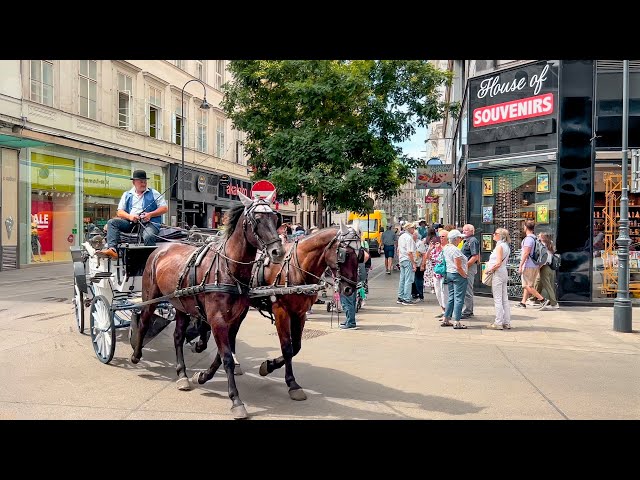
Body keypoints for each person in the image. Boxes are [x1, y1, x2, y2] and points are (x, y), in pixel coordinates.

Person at [98, 170, 168, 259]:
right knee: (112, 222)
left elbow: (164, 208)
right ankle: (112, 250)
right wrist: (130, 217)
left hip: (150, 223)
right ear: (134, 182)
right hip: (131, 222)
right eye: (141, 181)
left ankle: (149, 261)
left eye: (145, 181)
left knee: (149, 236)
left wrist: (150, 214)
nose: (144, 184)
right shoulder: (127, 194)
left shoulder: (154, 193)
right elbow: (120, 212)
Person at [516, 219, 550, 309]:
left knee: (526, 285)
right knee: (529, 285)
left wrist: (520, 265)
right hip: (534, 265)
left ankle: (543, 300)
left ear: (525, 227)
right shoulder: (535, 238)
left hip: (528, 265)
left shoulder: (528, 240)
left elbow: (526, 253)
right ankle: (523, 302)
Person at [440, 229, 469, 329]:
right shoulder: (455, 250)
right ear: (456, 239)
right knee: (459, 298)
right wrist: (464, 275)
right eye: (460, 238)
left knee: (451, 297)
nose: (461, 240)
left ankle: (446, 318)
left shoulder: (446, 248)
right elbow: (458, 266)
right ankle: (457, 321)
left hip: (449, 273)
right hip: (457, 275)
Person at [486, 228, 512, 330]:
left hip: (498, 273)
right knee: (504, 298)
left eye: (495, 233)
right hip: (503, 272)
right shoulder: (506, 246)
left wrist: (490, 270)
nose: (493, 234)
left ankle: (498, 322)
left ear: (500, 236)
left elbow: (498, 263)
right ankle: (507, 322)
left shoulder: (499, 246)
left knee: (498, 299)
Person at [427, 228, 449, 318]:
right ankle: (443, 310)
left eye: (443, 236)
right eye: (440, 237)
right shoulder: (435, 249)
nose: (441, 238)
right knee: (438, 292)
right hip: (436, 273)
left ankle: (447, 312)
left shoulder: (448, 248)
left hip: (445, 274)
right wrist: (429, 249)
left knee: (444, 293)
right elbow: (427, 258)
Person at [460, 224, 480, 319]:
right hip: (466, 267)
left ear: (472, 231)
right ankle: (468, 310)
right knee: (465, 288)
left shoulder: (473, 241)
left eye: (466, 230)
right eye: (463, 230)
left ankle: (467, 311)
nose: (464, 232)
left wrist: (466, 266)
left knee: (467, 289)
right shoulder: (465, 240)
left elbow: (475, 256)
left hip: (469, 267)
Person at [537, 232, 560, 311]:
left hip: (544, 267)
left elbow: (544, 259)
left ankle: (554, 303)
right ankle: (534, 298)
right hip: (549, 267)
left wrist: (538, 267)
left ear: (542, 237)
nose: (538, 237)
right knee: (539, 283)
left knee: (547, 285)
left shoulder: (543, 246)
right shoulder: (549, 245)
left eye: (539, 236)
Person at [396, 222, 417, 305]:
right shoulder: (409, 238)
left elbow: (398, 250)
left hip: (402, 259)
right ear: (409, 229)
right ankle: (406, 299)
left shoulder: (401, 237)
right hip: (408, 260)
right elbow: (410, 252)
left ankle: (400, 297)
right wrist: (414, 263)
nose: (414, 230)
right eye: (413, 228)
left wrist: (399, 259)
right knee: (409, 279)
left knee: (402, 279)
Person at [411, 231, 427, 301]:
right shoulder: (409, 242)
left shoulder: (420, 243)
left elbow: (424, 255)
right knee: (412, 281)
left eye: (414, 235)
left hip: (418, 264)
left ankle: (420, 295)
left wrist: (423, 265)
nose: (413, 236)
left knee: (418, 280)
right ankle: (414, 293)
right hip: (411, 264)